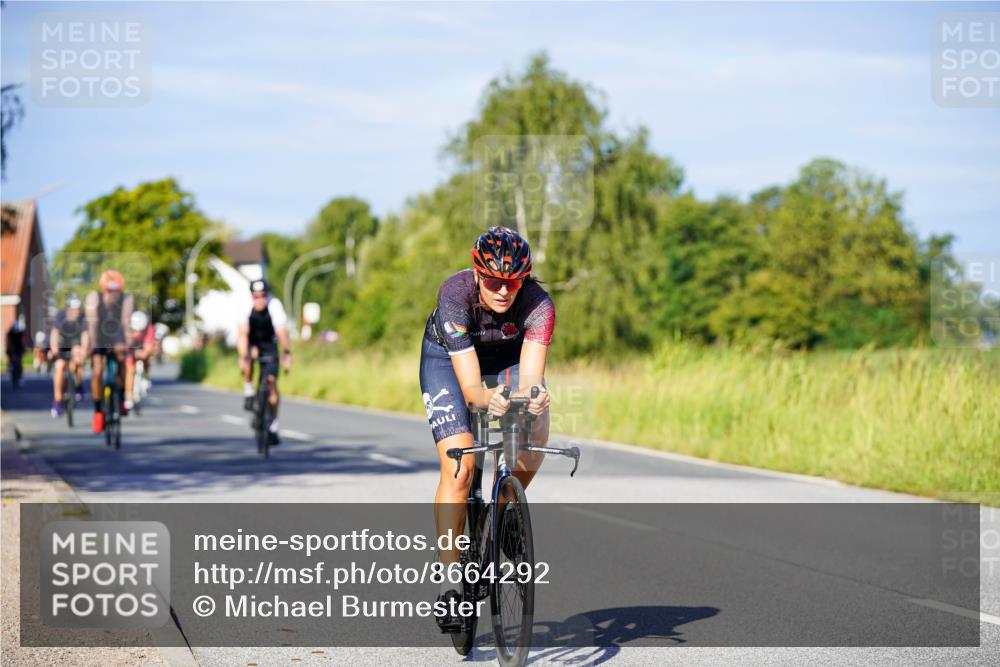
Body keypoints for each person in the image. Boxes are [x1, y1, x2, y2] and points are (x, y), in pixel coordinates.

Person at [420, 226, 555, 631]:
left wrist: (533, 396)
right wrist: (485, 397)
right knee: (458, 468)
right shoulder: (455, 295)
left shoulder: (539, 306)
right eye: (494, 281)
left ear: (524, 279)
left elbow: (531, 375)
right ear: (478, 274)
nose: (502, 291)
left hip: (507, 358)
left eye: (513, 283)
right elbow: (471, 389)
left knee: (536, 426)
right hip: (449, 361)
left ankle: (505, 508)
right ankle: (449, 587)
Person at [236, 279, 291, 445]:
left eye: (263, 296)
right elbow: (243, 334)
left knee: (272, 383)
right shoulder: (245, 305)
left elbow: (281, 332)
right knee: (249, 358)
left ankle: (273, 426)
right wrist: (243, 355)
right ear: (252, 296)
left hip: (269, 344)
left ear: (268, 295)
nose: (259, 299)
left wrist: (287, 353)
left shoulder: (275, 305)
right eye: (256, 296)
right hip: (253, 342)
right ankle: (248, 391)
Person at [85, 270, 135, 433]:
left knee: (121, 358)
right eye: (110, 291)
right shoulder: (94, 298)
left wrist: (129, 344)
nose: (113, 295)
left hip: (116, 334)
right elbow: (92, 324)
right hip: (98, 334)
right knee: (98, 370)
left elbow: (126, 322)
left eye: (116, 291)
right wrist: (94, 346)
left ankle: (120, 395)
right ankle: (98, 411)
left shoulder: (127, 298)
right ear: (103, 289)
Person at [48, 295, 88, 418]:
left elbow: (85, 335)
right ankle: (57, 400)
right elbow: (55, 332)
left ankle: (78, 385)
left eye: (78, 309)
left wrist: (84, 349)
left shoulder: (83, 318)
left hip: (76, 341)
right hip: (63, 342)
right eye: (73, 309)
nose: (76, 312)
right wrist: (53, 347)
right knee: (59, 366)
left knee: (77, 358)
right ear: (68, 309)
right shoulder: (61, 316)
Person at [126, 310, 156, 407]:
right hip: (131, 348)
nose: (138, 333)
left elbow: (148, 348)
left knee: (146, 356)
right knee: (130, 370)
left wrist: (145, 353)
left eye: (141, 331)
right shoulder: (127, 330)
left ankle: (145, 376)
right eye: (136, 330)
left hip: (143, 347)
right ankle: (129, 396)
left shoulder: (149, 329)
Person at [5, 319, 27, 388]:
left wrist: (23, 350)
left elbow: (22, 343)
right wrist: (11, 352)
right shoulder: (10, 334)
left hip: (18, 352)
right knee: (13, 365)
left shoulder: (19, 334)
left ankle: (19, 378)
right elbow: (9, 344)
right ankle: (14, 377)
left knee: (19, 365)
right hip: (12, 352)